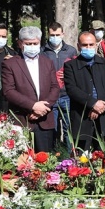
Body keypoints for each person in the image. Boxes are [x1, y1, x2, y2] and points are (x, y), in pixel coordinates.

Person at [2, 26, 60, 152]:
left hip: (45, 120)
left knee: (46, 162)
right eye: (28, 44)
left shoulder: (47, 62)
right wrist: (33, 106)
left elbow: (55, 87)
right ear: (20, 43)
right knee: (23, 164)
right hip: (22, 120)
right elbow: (9, 91)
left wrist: (43, 108)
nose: (32, 46)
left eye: (35, 43)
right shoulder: (10, 64)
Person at [64, 32, 105, 151]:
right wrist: (93, 104)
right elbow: (72, 89)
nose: (88, 48)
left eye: (91, 44)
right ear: (78, 46)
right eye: (85, 45)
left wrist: (101, 105)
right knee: (82, 159)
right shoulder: (70, 66)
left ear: (96, 45)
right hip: (82, 118)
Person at [41, 22, 78, 150]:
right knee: (53, 127)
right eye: (52, 35)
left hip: (67, 96)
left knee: (69, 127)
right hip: (50, 97)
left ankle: (69, 155)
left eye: (57, 34)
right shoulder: (42, 51)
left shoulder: (71, 50)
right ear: (48, 34)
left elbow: (76, 71)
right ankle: (55, 153)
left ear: (63, 34)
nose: (55, 37)